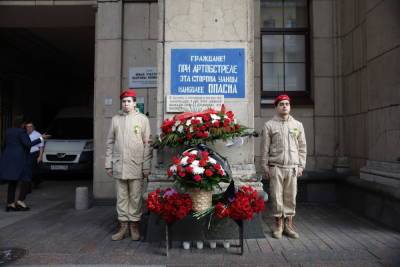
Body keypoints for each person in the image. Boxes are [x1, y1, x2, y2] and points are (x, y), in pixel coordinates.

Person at [105, 89, 152, 241]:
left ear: (134, 103)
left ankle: (134, 227)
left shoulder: (142, 119)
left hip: (136, 165)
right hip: (119, 165)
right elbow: (110, 142)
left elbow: (147, 144)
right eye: (124, 101)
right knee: (121, 197)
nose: (126, 104)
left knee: (135, 197)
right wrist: (108, 163)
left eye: (129, 101)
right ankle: (123, 227)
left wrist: (146, 166)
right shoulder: (115, 119)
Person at [261, 94, 307, 239]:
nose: (284, 106)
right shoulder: (269, 125)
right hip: (276, 167)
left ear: (290, 107)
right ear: (276, 107)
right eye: (281, 104)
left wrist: (301, 165)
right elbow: (264, 148)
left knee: (290, 197)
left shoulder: (298, 125)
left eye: (287, 104)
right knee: (276, 197)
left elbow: (302, 147)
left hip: (292, 167)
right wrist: (265, 166)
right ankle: (278, 225)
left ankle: (289, 226)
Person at [0, 117, 48, 211]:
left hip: (9, 158)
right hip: (20, 159)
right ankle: (20, 201)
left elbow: (5, 144)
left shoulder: (8, 131)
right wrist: (41, 138)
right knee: (26, 178)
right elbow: (28, 144)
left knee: (12, 180)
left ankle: (10, 204)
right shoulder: (21, 132)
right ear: (22, 124)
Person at [25, 121, 44, 188]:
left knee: (33, 170)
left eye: (30, 126)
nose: (29, 128)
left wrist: (40, 156)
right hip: (26, 154)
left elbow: (41, 146)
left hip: (34, 154)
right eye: (27, 126)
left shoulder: (38, 134)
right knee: (27, 169)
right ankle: (28, 184)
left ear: (33, 127)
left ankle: (35, 182)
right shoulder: (23, 134)